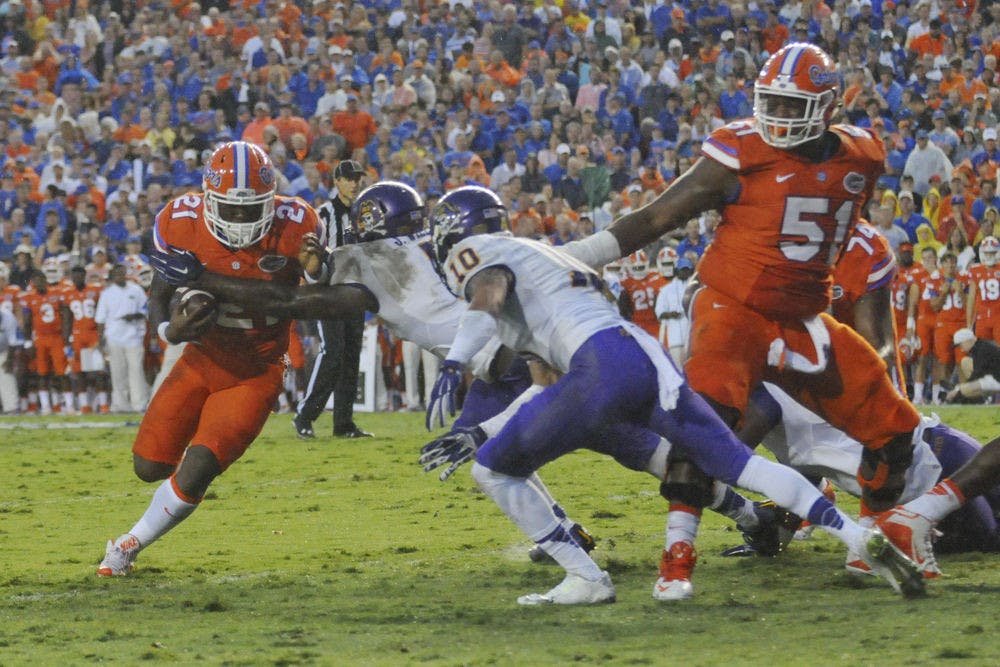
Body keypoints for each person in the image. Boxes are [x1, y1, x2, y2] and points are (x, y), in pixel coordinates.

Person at [421, 185, 923, 604]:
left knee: (492, 470)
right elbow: (544, 382)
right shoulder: (545, 255)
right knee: (739, 463)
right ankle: (858, 536)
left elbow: (489, 292)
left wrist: (455, 360)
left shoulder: (482, 253)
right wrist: (481, 428)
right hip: (644, 357)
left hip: (598, 366)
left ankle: (586, 578)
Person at [564, 43, 928, 589]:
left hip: (803, 320)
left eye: (790, 105)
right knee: (703, 427)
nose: (777, 116)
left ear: (826, 107)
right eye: (771, 102)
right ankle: (676, 562)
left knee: (896, 432)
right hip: (733, 308)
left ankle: (872, 542)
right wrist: (576, 256)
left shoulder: (862, 156)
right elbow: (659, 216)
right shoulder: (740, 150)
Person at [96, 141, 323, 576]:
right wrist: (171, 331)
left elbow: (302, 298)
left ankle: (128, 545)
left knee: (198, 467)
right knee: (148, 466)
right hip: (201, 359)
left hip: (256, 371)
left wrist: (318, 272)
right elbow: (159, 294)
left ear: (271, 200)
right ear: (208, 198)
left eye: (250, 209)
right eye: (230, 208)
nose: (239, 220)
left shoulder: (297, 223)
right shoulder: (181, 221)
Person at [295, 159, 371, 439]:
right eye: (348, 178)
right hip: (328, 292)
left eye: (357, 178)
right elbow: (308, 252)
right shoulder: (323, 214)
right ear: (336, 182)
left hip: (355, 293)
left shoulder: (365, 215)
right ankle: (305, 415)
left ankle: (343, 423)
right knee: (333, 352)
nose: (354, 183)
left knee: (350, 356)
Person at [19, 269, 71, 415]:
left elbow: (66, 316)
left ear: (45, 280)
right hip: (40, 338)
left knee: (62, 373)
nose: (39, 283)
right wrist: (28, 342)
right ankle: (46, 406)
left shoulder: (57, 294)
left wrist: (66, 338)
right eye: (35, 280)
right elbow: (27, 322)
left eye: (41, 280)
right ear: (32, 283)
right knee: (42, 373)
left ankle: (69, 405)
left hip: (57, 337)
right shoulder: (29, 297)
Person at [65, 264, 108, 414]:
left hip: (93, 334)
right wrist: (67, 341)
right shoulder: (67, 293)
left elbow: (102, 313)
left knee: (98, 371)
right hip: (77, 335)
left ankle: (103, 404)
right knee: (78, 372)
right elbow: (67, 319)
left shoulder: (95, 290)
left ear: (84, 276)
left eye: (79, 275)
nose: (77, 278)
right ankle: (85, 405)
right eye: (74, 276)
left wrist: (102, 336)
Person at [655, 254, 694, 366]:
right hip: (675, 337)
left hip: (692, 338)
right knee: (678, 369)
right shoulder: (666, 290)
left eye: (687, 270)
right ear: (676, 271)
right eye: (682, 270)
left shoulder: (695, 288)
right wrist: (670, 314)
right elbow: (659, 312)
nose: (685, 272)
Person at [619, 250, 668, 339]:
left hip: (655, 322)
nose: (639, 270)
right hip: (639, 324)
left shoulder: (626, 282)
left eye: (641, 267)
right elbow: (623, 307)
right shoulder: (657, 277)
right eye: (636, 268)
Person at [944, 328, 1000, 403]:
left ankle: (983, 399)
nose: (961, 349)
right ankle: (981, 398)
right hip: (992, 375)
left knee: (963, 391)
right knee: (965, 361)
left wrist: (959, 389)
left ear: (968, 341)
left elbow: (978, 374)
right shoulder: (980, 345)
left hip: (996, 379)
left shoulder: (982, 350)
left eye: (961, 345)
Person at [965, 237, 1000, 345]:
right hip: (982, 316)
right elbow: (971, 298)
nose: (989, 256)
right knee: (982, 349)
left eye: (992, 253)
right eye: (987, 253)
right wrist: (969, 322)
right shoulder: (975, 270)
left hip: (998, 315)